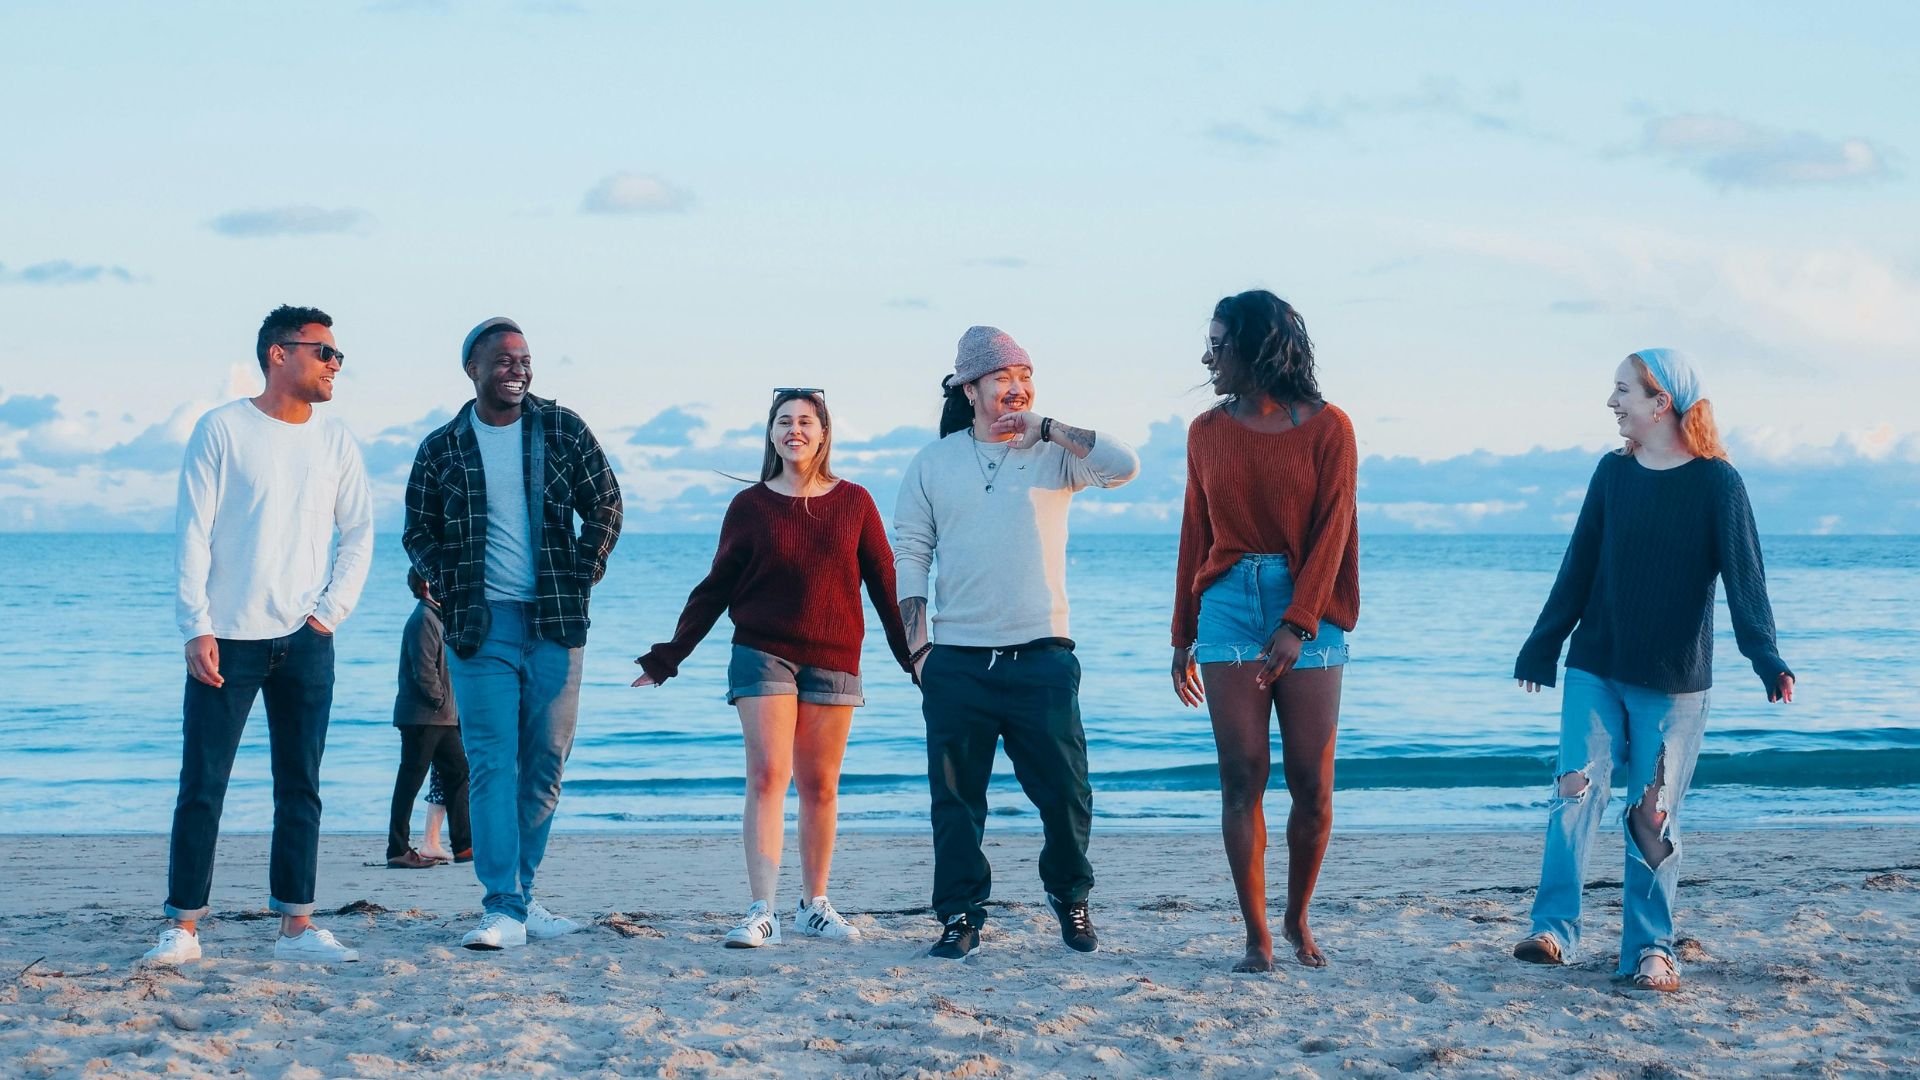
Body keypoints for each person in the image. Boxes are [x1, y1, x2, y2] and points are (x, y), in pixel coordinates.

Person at [1510, 348, 1794, 993]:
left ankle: (1650, 948)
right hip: (1596, 665)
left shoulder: (1718, 483)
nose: (1612, 403)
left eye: (1622, 391)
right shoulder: (1612, 474)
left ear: (1660, 401)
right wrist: (1542, 646)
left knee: (1651, 814)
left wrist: (1765, 655)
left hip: (1673, 682)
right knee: (1574, 794)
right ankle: (1553, 929)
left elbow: (1745, 580)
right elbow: (1578, 565)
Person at [633, 389, 915, 947]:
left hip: (834, 655)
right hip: (762, 651)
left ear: (824, 432)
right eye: (784, 421)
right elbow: (716, 587)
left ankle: (815, 905)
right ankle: (762, 909)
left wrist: (915, 660)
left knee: (821, 786)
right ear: (770, 434)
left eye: (805, 421)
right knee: (768, 776)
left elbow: (887, 586)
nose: (795, 430)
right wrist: (669, 656)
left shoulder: (855, 501)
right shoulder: (751, 507)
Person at [894, 326, 1141, 960]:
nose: (1017, 387)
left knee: (1066, 794)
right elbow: (913, 553)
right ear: (970, 388)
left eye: (1024, 376)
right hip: (957, 660)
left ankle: (1070, 896)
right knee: (955, 803)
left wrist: (1049, 425)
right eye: (1003, 377)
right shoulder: (933, 462)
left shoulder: (1056, 454)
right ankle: (959, 914)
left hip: (1043, 654)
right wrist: (919, 650)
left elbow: (1123, 464)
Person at [143, 305, 374, 967]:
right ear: (279, 354)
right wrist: (197, 625)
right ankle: (183, 928)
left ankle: (296, 929)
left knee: (300, 786)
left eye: (337, 355)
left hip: (307, 639)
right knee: (203, 784)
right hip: (228, 638)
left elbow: (358, 534)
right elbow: (192, 531)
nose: (335, 365)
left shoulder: (336, 442)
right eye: (324, 352)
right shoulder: (222, 429)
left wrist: (329, 614)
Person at [403, 317, 624, 951]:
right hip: (479, 628)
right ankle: (501, 904)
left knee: (545, 765)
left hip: (556, 622)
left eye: (524, 359)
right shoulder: (441, 447)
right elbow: (417, 532)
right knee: (493, 765)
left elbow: (605, 503)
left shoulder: (562, 428)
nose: (517, 369)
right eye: (502, 360)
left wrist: (584, 569)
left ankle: (520, 897)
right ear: (472, 369)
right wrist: (443, 578)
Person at [1170, 290, 1359, 972]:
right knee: (1241, 775)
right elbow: (1196, 531)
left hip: (1308, 599)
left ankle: (1298, 915)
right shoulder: (1205, 432)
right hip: (1225, 602)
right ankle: (1256, 937)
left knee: (1312, 784)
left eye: (1219, 343)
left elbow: (1334, 530)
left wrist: (1297, 623)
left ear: (1259, 348)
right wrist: (1180, 635)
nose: (1208, 356)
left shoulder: (1329, 427)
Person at [386, 570, 471, 869]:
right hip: (423, 717)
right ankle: (397, 848)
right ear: (426, 586)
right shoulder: (423, 618)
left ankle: (464, 846)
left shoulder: (437, 616)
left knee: (458, 773)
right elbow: (424, 672)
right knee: (410, 781)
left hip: (442, 718)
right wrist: (442, 701)